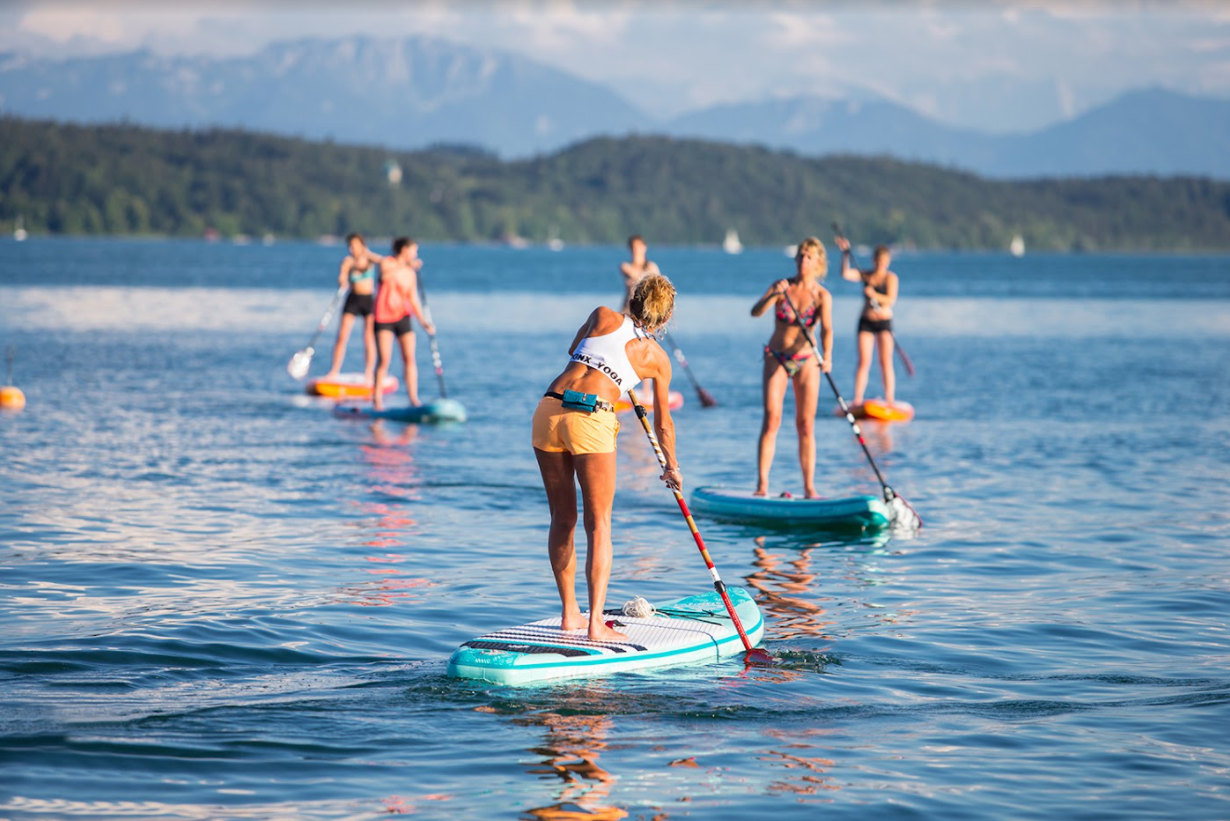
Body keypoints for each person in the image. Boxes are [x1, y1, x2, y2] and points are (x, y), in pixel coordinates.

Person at [532, 274, 680, 641]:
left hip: (548, 410)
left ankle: (570, 615)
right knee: (599, 524)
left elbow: (574, 351)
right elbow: (663, 424)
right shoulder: (657, 359)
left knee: (562, 517)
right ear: (665, 320)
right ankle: (596, 624)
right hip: (591, 417)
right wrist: (671, 466)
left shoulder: (601, 314)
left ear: (632, 300)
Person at [750, 237, 833, 499]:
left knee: (806, 424)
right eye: (800, 255)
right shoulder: (782, 286)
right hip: (777, 356)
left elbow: (828, 330)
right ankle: (762, 485)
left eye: (809, 256)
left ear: (818, 262)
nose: (803, 260)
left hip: (806, 359)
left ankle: (809, 487)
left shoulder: (821, 296)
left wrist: (827, 357)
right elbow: (756, 312)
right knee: (772, 419)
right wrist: (773, 294)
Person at [372, 237, 433, 411]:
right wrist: (405, 265)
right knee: (384, 359)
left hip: (403, 317)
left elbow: (413, 298)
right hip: (383, 317)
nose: (415, 255)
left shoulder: (410, 273)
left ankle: (413, 398)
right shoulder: (387, 263)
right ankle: (377, 399)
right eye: (414, 250)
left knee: (409, 358)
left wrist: (423, 322)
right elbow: (385, 276)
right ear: (404, 250)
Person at [836, 238, 899, 405]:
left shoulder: (891, 278)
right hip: (866, 321)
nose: (880, 264)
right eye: (878, 261)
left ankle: (889, 399)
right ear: (874, 260)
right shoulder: (866, 275)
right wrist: (845, 254)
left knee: (885, 361)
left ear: (888, 262)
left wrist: (874, 294)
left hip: (884, 322)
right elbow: (845, 274)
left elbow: (890, 300)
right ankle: (858, 398)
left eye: (884, 262)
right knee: (864, 361)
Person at [326, 233, 384, 380]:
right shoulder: (348, 261)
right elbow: (343, 275)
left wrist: (367, 253)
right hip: (352, 299)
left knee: (368, 338)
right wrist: (342, 280)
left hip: (368, 300)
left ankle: (369, 373)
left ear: (362, 245)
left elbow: (385, 262)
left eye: (356, 245)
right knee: (342, 336)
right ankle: (334, 370)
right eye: (350, 246)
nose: (353, 249)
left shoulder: (370, 259)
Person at [619, 235, 661, 313]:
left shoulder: (651, 266)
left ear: (644, 247)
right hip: (627, 310)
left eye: (638, 246)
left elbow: (659, 286)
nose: (636, 250)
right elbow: (634, 275)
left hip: (646, 311)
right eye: (633, 247)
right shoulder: (626, 266)